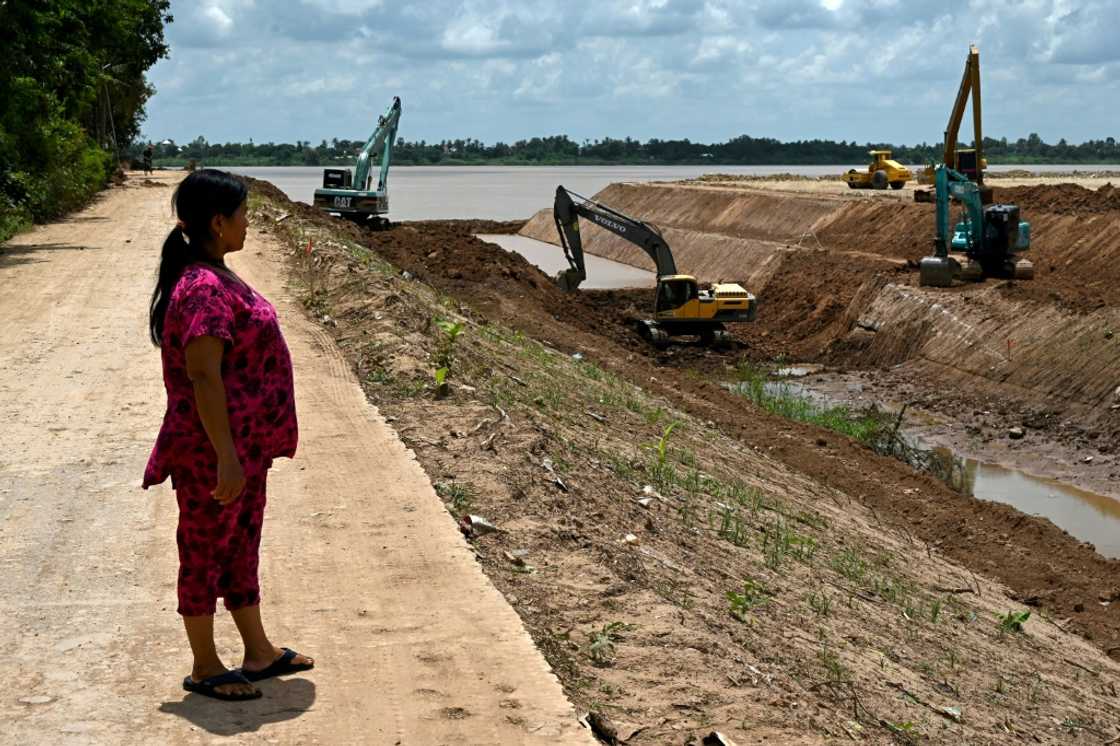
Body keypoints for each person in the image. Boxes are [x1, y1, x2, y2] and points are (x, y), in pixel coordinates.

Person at [145, 169, 313, 701]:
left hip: (245, 448)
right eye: (242, 214)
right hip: (212, 453)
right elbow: (202, 375)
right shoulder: (201, 288)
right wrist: (226, 457)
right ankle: (204, 665)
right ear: (218, 222)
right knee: (203, 551)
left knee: (240, 547)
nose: (248, 223)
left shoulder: (217, 273)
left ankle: (258, 652)